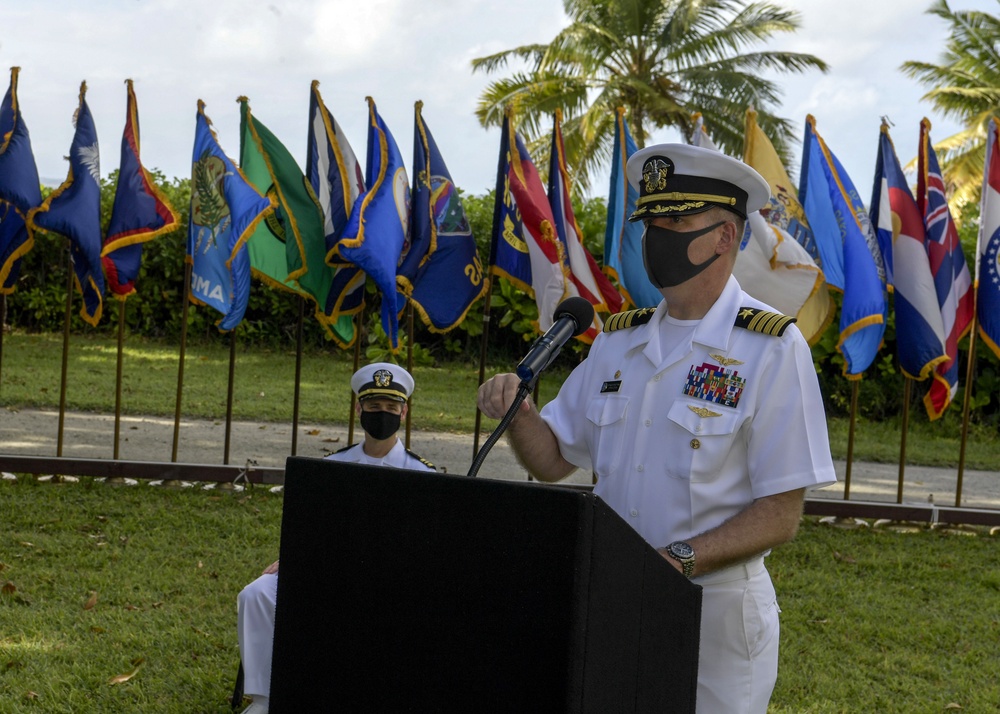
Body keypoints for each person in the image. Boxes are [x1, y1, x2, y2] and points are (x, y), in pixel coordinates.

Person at [478, 143, 837, 713]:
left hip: (713, 617)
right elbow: (551, 462)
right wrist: (520, 413)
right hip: (614, 601)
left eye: (676, 221)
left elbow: (780, 513)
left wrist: (675, 562)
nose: (656, 238)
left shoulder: (770, 348)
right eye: (651, 222)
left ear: (726, 236)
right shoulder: (619, 342)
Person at [236, 363, 434, 714]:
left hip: (393, 581)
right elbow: (311, 525)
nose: (382, 415)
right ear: (359, 409)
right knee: (256, 594)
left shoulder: (424, 475)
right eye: (374, 407)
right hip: (331, 571)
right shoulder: (333, 466)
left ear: (404, 411)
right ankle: (265, 700)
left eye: (391, 408)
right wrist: (294, 554)